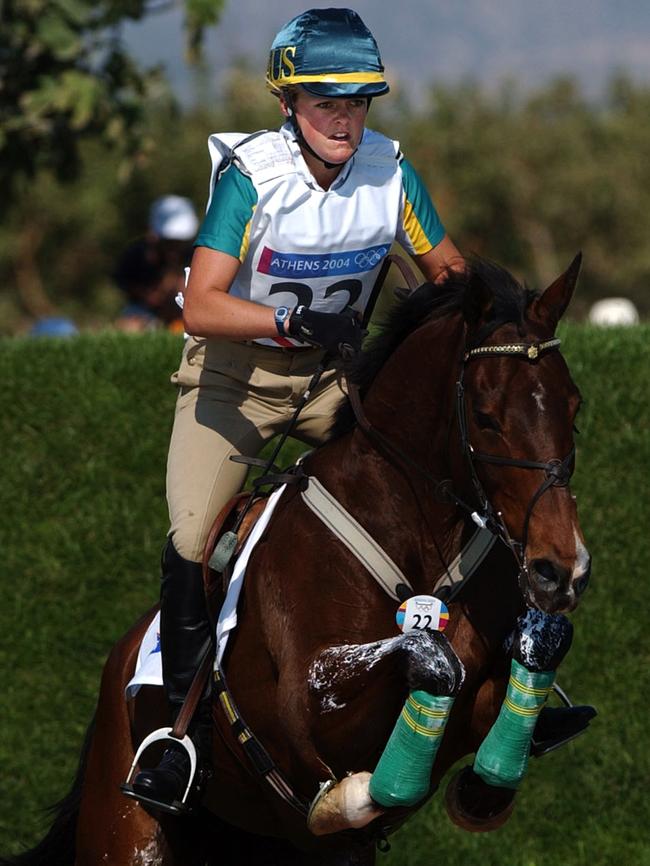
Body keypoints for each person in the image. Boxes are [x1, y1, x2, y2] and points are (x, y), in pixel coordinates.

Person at [129, 8, 589, 812]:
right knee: (193, 537)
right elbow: (200, 303)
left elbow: (447, 274)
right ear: (289, 106)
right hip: (237, 383)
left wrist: (500, 315)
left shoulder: (392, 174)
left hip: (336, 381)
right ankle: (177, 736)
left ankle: (521, 686)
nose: (345, 121)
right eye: (326, 105)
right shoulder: (250, 177)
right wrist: (285, 320)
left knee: (465, 484)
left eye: (357, 104)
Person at [113, 195, 199, 333]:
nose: (174, 247)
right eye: (170, 241)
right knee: (130, 326)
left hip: (184, 313)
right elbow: (124, 283)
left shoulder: (196, 254)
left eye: (179, 241)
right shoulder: (138, 255)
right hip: (146, 314)